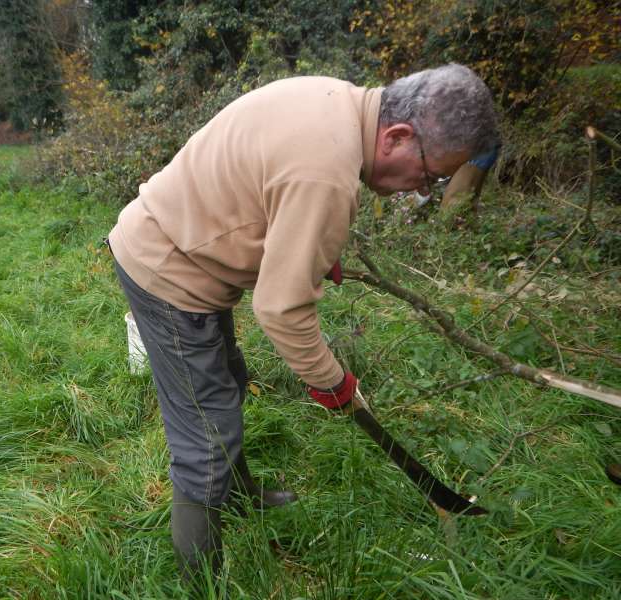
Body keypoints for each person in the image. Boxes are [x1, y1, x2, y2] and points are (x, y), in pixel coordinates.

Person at [108, 63, 499, 592]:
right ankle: (198, 583)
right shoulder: (327, 171)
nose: (421, 189)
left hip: (184, 238)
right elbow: (281, 307)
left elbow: (266, 190)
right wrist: (331, 382)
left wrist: (306, 248)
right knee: (204, 433)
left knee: (226, 379)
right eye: (430, 175)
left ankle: (241, 497)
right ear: (398, 136)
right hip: (170, 269)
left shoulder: (338, 102)